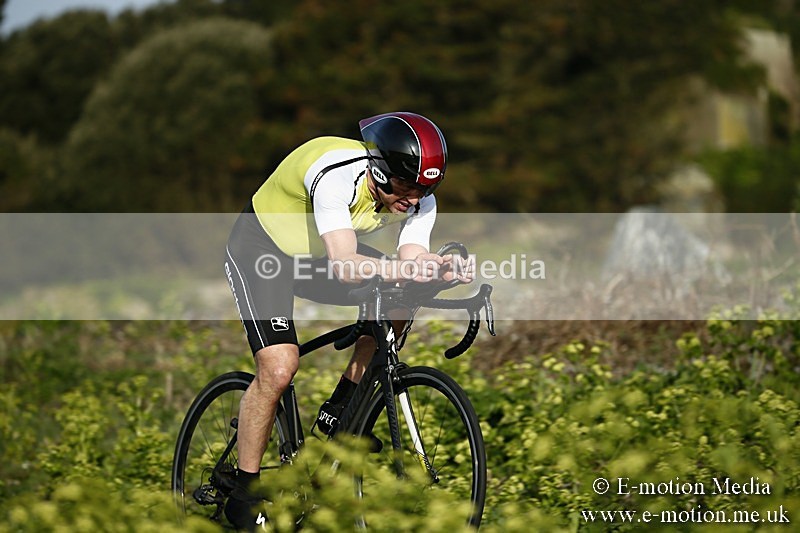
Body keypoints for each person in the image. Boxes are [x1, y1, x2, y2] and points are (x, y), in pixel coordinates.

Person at [222, 112, 471, 530]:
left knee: (402, 296)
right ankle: (244, 489)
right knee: (279, 367)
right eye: (407, 187)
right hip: (262, 252)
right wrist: (403, 270)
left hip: (314, 257)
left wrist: (439, 269)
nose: (414, 199)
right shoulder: (336, 176)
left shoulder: (419, 196)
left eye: (425, 189)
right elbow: (344, 264)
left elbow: (410, 259)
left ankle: (341, 412)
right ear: (379, 170)